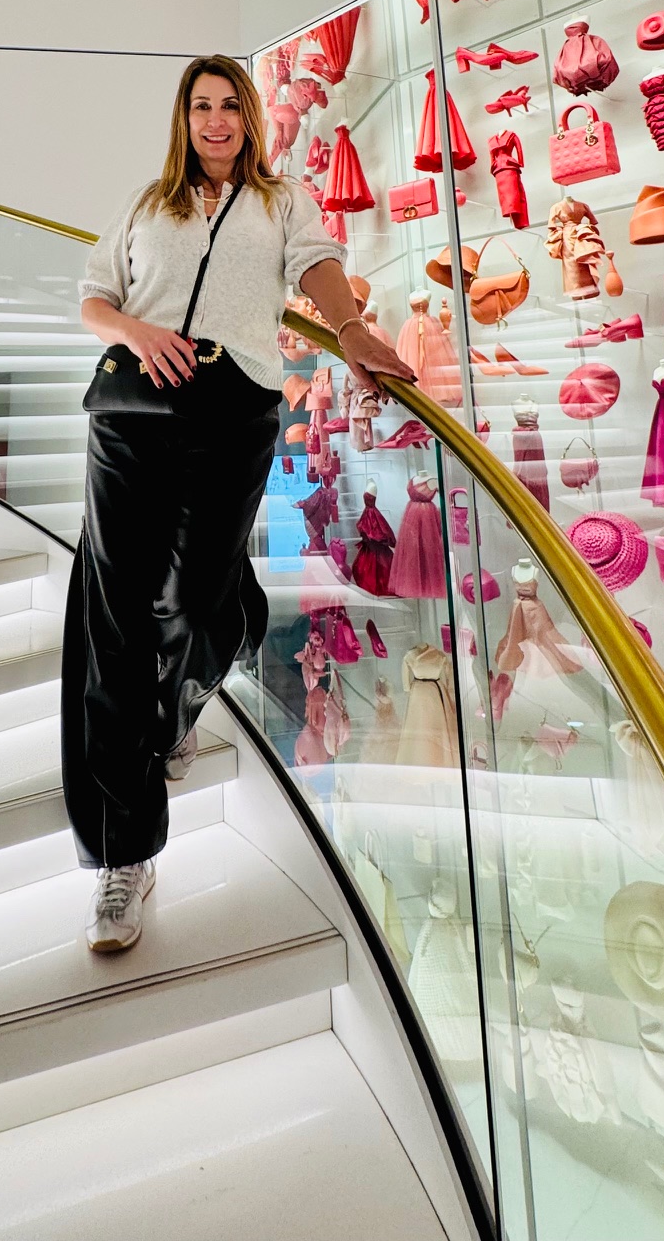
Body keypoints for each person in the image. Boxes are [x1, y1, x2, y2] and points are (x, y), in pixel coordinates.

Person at [69, 54, 414, 952]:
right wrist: (137, 330)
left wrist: (351, 332)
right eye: (201, 108)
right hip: (130, 411)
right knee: (114, 619)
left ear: (250, 118)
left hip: (232, 415)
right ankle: (123, 856)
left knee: (193, 600)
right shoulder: (151, 203)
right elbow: (93, 295)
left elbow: (320, 268)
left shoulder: (282, 199)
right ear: (184, 120)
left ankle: (190, 685)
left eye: (229, 106)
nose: (215, 121)